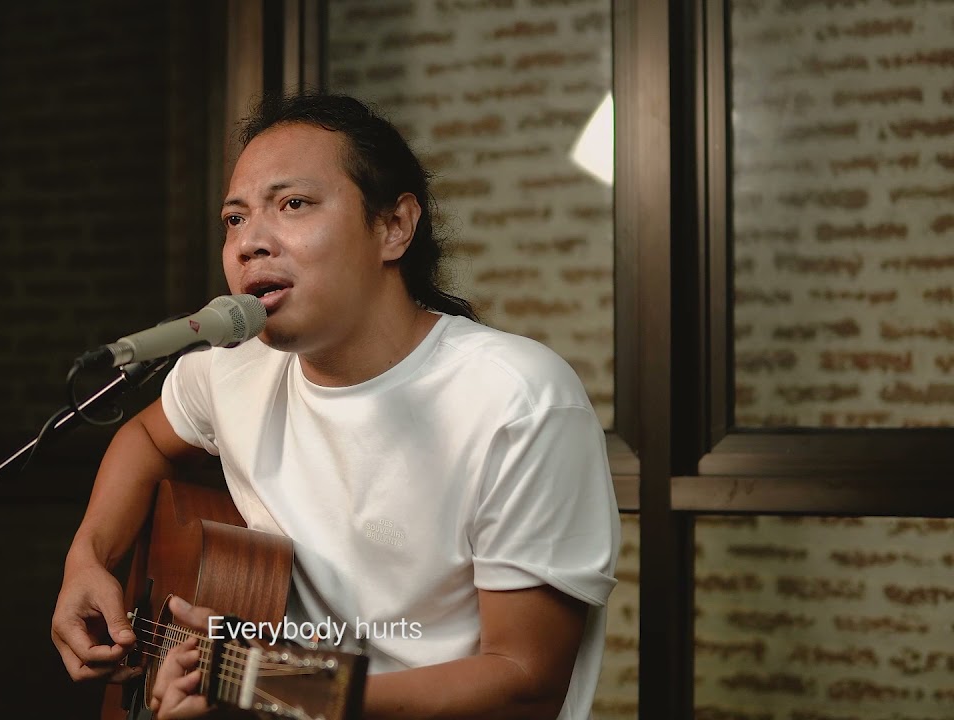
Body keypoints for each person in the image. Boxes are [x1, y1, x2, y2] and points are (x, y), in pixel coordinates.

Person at [51, 92, 619, 720]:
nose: (249, 243)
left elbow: (525, 682)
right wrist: (89, 558)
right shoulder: (230, 370)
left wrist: (270, 685)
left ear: (394, 226)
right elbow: (145, 438)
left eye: (293, 204)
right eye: (234, 218)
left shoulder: (518, 400)